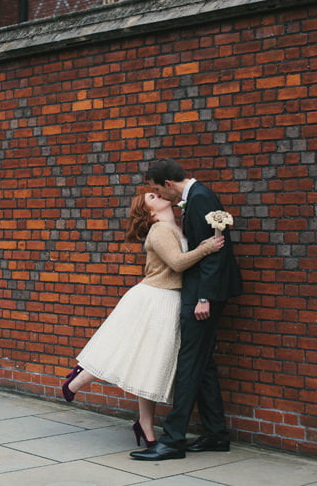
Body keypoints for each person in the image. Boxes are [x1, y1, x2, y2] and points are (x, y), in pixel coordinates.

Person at [62, 190, 224, 448]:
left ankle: (145, 426)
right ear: (149, 211)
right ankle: (78, 379)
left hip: (169, 299)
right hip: (154, 298)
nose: (158, 195)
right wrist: (206, 248)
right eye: (151, 197)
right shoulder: (160, 230)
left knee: (149, 365)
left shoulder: (175, 227)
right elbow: (178, 263)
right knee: (126, 351)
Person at [131, 158, 242, 461]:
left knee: (189, 365)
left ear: (168, 184)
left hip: (203, 296)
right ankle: (216, 435)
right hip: (199, 293)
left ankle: (173, 440)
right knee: (202, 365)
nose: (159, 195)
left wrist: (204, 297)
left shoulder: (202, 197)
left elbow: (216, 249)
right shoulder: (195, 198)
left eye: (156, 189)